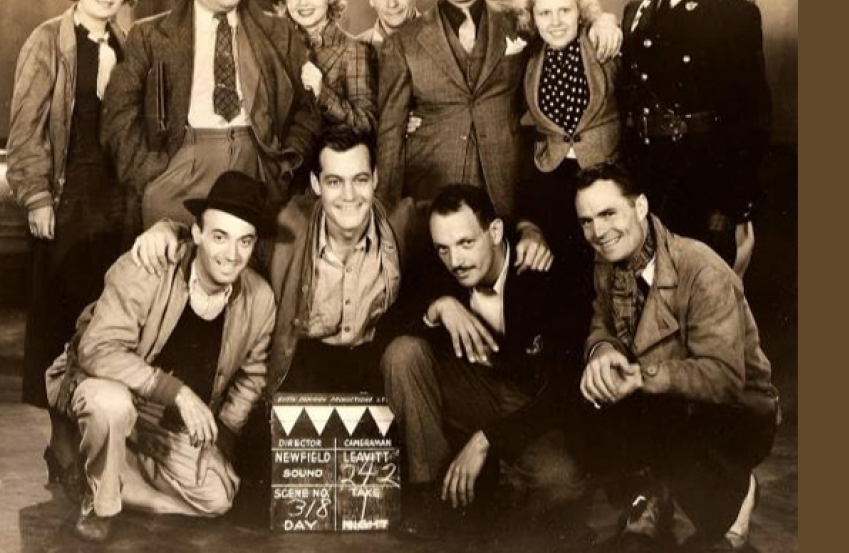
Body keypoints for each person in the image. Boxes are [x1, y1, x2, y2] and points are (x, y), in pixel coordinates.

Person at [131, 128, 552, 395]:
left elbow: (472, 221)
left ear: (376, 180)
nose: (349, 196)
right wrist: (173, 230)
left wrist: (528, 231)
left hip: (373, 361)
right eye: (334, 182)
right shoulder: (285, 226)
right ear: (316, 184)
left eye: (359, 180)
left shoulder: (404, 221)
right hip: (303, 360)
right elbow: (224, 238)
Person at [44, 171, 277, 542]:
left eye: (244, 242)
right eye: (220, 237)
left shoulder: (259, 297)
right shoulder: (148, 267)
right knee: (111, 404)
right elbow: (96, 349)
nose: (232, 256)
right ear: (196, 233)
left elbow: (252, 375)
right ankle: (98, 501)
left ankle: (98, 474)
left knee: (218, 498)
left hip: (164, 423)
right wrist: (177, 392)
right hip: (107, 388)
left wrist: (225, 435)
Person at [574, 162, 779, 553]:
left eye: (607, 213)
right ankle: (652, 492)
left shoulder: (700, 268)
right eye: (586, 221)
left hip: (734, 413)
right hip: (665, 400)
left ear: (640, 207)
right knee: (587, 405)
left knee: (678, 450)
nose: (597, 233)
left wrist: (642, 377)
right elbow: (602, 323)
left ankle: (739, 487)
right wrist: (601, 353)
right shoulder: (607, 262)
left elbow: (723, 378)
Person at [376, 0, 622, 222]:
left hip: (506, 188)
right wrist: (387, 213)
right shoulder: (403, 41)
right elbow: (390, 134)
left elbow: (562, 23)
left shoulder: (517, 21)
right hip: (432, 189)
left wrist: (603, 20)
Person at [381, 184, 587, 534]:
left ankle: (489, 485)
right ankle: (432, 494)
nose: (455, 261)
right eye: (443, 248)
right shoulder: (439, 268)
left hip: (530, 408)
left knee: (560, 484)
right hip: (472, 390)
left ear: (494, 232)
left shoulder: (542, 275)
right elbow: (385, 332)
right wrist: (439, 308)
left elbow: (566, 393)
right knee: (403, 354)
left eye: (466, 243)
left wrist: (486, 439)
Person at [100, 0, 319, 229]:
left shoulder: (278, 31)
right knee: (168, 267)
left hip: (254, 163)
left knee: (244, 268)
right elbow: (118, 112)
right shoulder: (149, 34)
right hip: (180, 161)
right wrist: (147, 172)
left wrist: (283, 167)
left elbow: (306, 109)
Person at [6, 0, 139, 411]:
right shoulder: (48, 40)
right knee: (62, 327)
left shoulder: (129, 45)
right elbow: (25, 129)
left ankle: (91, 445)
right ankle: (61, 451)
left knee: (105, 325)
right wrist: (37, 198)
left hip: (116, 205)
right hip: (66, 201)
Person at [613, 0, 771, 270]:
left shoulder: (733, 14)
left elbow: (752, 118)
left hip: (705, 182)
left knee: (704, 304)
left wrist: (732, 206)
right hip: (645, 181)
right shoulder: (636, 12)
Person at [515, 0, 623, 338]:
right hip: (553, 178)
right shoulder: (529, 59)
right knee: (562, 275)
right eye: (545, 13)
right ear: (533, 18)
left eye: (564, 10)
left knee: (606, 269)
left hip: (605, 172)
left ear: (580, 12)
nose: (556, 21)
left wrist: (607, 21)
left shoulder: (602, 46)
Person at [271, 0, 377, 133]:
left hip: (336, 153)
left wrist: (323, 93)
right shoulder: (277, 48)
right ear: (285, 1)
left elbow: (367, 123)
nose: (303, 2)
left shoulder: (354, 50)